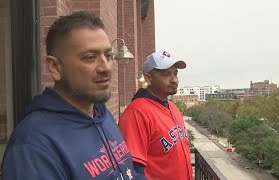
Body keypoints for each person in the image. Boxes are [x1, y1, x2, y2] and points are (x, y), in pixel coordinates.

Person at [1, 11, 144, 180]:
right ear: (55, 67)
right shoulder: (33, 146)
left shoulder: (102, 114)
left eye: (108, 56)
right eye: (90, 57)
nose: (106, 67)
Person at [118, 51, 193, 180]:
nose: (174, 80)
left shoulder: (173, 108)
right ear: (148, 78)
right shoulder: (137, 113)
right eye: (166, 74)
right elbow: (132, 171)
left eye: (175, 73)